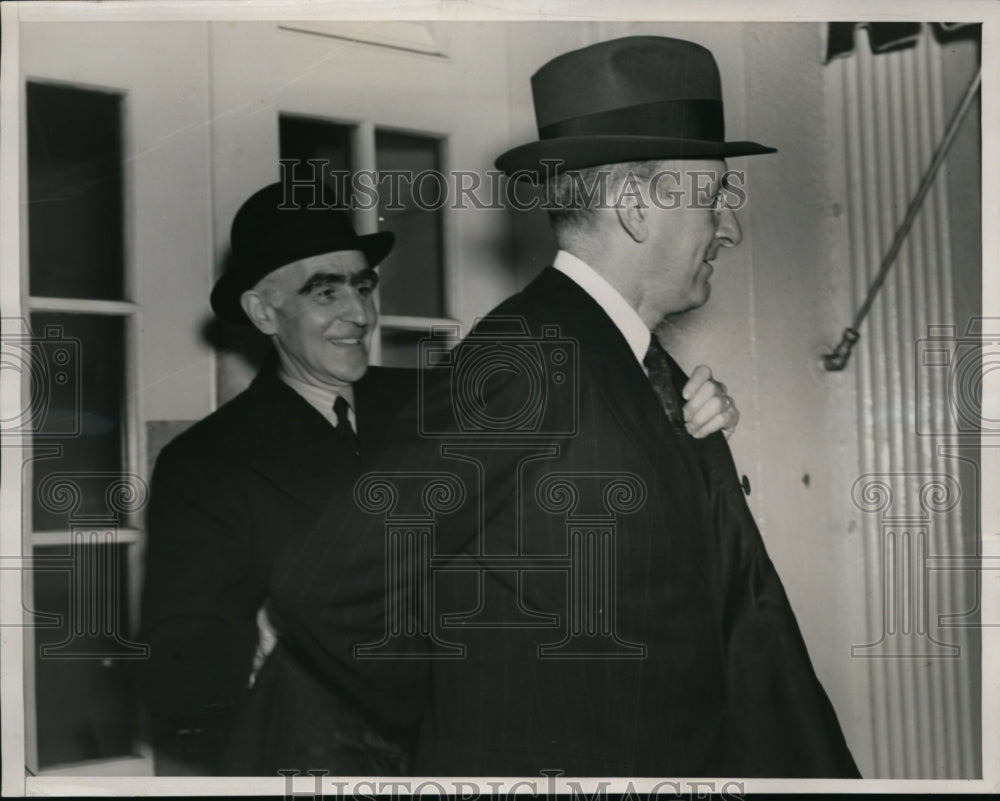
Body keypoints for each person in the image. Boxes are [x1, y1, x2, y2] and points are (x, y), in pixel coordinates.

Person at [271, 35, 856, 778]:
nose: (730, 227)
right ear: (636, 208)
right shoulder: (526, 361)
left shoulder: (632, 362)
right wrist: (465, 708)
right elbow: (327, 586)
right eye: (713, 197)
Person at [136, 183, 416, 776]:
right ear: (263, 312)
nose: (359, 314)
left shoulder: (433, 407)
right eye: (326, 291)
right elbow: (185, 668)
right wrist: (270, 631)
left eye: (363, 286)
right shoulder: (206, 461)